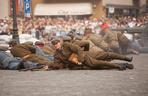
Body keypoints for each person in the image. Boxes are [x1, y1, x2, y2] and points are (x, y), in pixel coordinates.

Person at [52, 39, 134, 71]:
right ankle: (124, 65)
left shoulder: (68, 44)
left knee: (104, 57)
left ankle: (125, 59)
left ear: (60, 42)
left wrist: (83, 55)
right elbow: (57, 63)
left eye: (57, 44)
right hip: (78, 64)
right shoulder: (56, 54)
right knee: (99, 65)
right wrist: (51, 66)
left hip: (85, 57)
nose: (56, 45)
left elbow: (82, 46)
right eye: (55, 45)